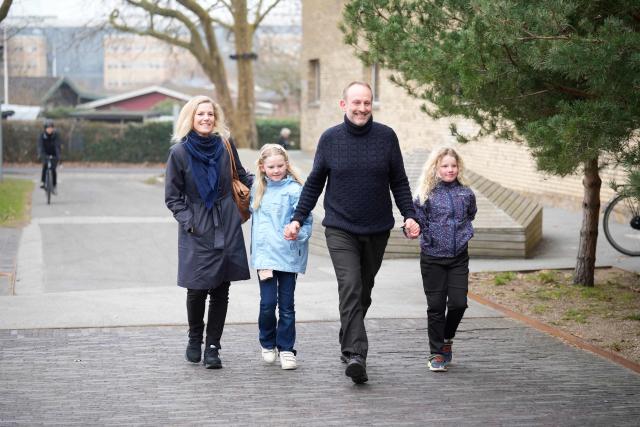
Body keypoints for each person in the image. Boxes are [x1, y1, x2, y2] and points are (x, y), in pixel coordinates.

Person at [284, 81, 420, 384]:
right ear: (343, 104)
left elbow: (398, 181)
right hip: (340, 227)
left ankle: (348, 338)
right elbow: (315, 182)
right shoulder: (330, 139)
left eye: (367, 103)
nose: (362, 108)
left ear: (372, 105)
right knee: (351, 286)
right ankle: (357, 354)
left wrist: (410, 215)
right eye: (356, 102)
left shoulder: (386, 137)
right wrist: (297, 218)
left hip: (377, 228)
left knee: (363, 292)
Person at [164, 95, 253, 369]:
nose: (206, 118)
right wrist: (191, 222)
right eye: (200, 114)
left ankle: (213, 346)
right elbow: (173, 196)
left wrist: (267, 183)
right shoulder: (179, 152)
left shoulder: (225, 145)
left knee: (221, 289)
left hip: (226, 222)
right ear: (190, 118)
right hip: (197, 226)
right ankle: (195, 337)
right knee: (197, 288)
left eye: (210, 114)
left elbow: (240, 174)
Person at [412, 146, 477, 372]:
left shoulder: (466, 193)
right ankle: (436, 353)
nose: (450, 170)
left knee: (459, 303)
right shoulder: (425, 194)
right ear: (436, 168)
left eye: (453, 165)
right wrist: (412, 230)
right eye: (445, 166)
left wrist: (463, 233)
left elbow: (471, 214)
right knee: (436, 307)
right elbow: (416, 221)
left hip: (459, 256)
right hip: (432, 257)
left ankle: (447, 338)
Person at [250, 144, 312, 370]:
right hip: (265, 258)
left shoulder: (295, 190)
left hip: (288, 256)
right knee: (268, 304)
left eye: (280, 165)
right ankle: (267, 343)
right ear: (262, 167)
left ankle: (286, 348)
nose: (276, 170)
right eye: (271, 166)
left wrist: (297, 233)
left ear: (287, 164)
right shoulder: (257, 189)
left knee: (286, 306)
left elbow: (306, 221)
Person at [38, 120, 61, 194]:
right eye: (48, 128)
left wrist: (58, 156)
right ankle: (43, 181)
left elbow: (57, 146)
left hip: (54, 153)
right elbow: (40, 146)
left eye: (51, 128)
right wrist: (41, 154)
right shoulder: (42, 136)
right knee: (45, 166)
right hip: (45, 153)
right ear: (45, 129)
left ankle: (54, 185)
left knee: (53, 169)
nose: (50, 129)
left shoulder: (56, 135)